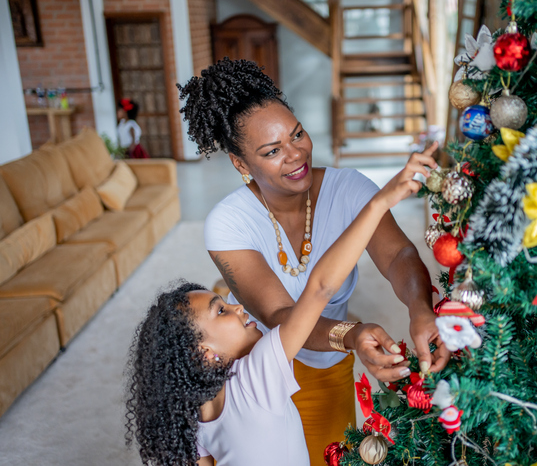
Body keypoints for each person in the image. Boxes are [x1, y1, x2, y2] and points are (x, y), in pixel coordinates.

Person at [177, 58, 450, 463]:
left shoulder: (348, 188)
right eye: (272, 151)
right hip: (260, 374)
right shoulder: (227, 223)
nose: (295, 154)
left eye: (297, 134)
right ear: (240, 164)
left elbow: (400, 255)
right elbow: (281, 315)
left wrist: (419, 309)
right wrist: (354, 334)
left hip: (328, 363)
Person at [124, 147, 438, 465]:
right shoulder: (257, 373)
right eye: (221, 310)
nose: (239, 308)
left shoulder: (194, 418)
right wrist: (379, 203)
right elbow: (319, 289)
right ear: (204, 354)